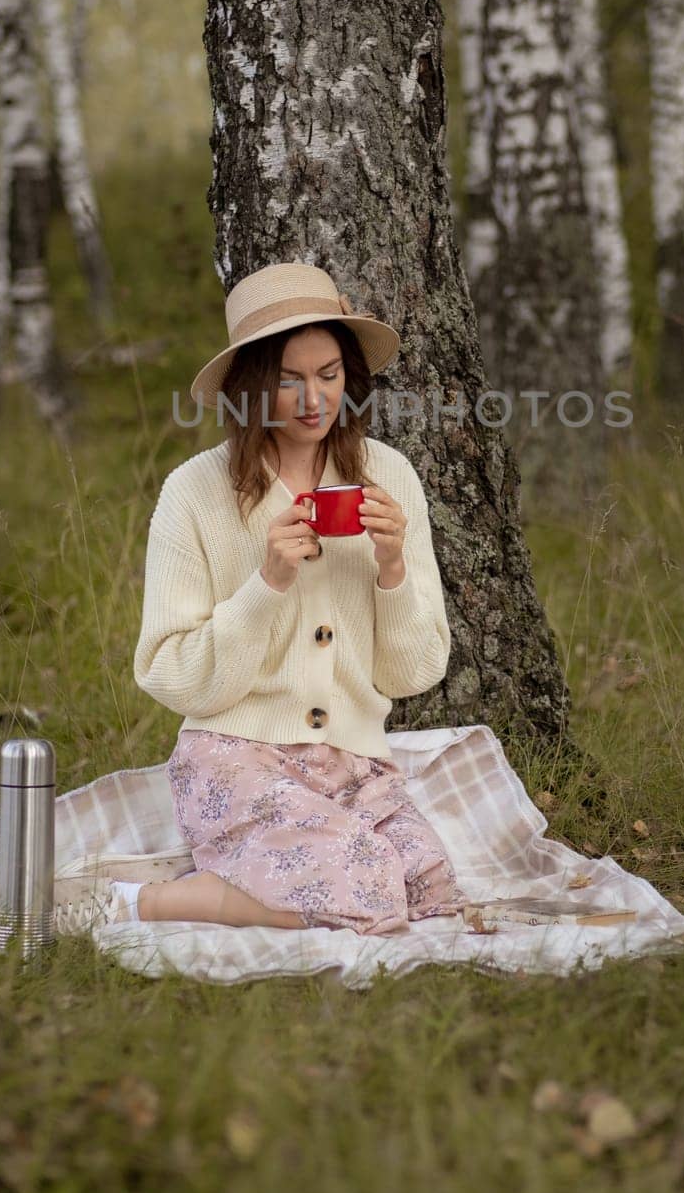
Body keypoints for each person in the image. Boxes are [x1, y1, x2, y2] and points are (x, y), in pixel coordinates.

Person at [54, 261, 467, 936]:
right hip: (233, 754)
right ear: (249, 387)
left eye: (329, 375)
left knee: (429, 892)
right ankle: (139, 901)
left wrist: (391, 569)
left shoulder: (390, 476)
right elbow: (169, 672)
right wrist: (266, 584)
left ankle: (241, 878)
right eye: (288, 380)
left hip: (351, 757)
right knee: (364, 891)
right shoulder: (194, 492)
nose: (314, 399)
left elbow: (413, 673)